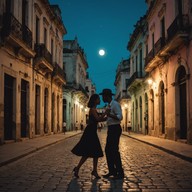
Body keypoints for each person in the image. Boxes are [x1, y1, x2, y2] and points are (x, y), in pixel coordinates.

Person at [71, 94, 109, 179]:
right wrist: (105, 113)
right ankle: (78, 168)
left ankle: (93, 171)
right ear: (94, 100)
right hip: (90, 132)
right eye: (98, 99)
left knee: (95, 152)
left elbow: (99, 119)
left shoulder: (94, 109)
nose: (99, 100)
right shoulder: (92, 110)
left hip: (92, 131)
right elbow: (98, 119)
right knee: (88, 152)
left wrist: (107, 117)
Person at [99, 88, 124, 179]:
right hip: (111, 128)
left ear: (107, 96)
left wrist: (109, 115)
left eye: (103, 96)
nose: (102, 98)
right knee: (108, 150)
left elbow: (119, 117)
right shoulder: (109, 105)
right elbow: (109, 118)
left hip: (115, 128)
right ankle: (112, 171)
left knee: (114, 151)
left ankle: (120, 172)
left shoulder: (115, 105)